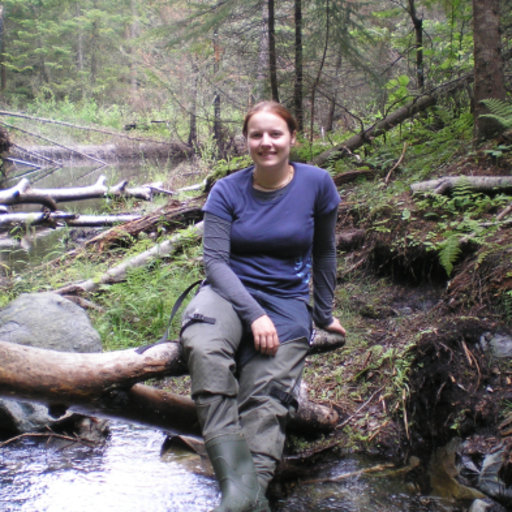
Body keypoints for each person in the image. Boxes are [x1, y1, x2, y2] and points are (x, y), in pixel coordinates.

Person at [180, 101, 346, 512]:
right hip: (226, 293)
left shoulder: (317, 183)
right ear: (247, 140)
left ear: (293, 138)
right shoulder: (227, 189)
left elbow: (325, 253)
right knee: (204, 348)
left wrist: (323, 313)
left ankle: (241, 498)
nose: (266, 143)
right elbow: (215, 262)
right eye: (257, 135)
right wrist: (254, 314)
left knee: (267, 393)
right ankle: (243, 493)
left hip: (287, 300)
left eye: (275, 134)